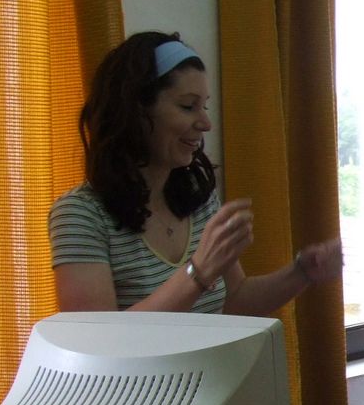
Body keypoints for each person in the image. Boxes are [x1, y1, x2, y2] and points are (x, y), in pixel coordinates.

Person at [49, 31, 342, 314]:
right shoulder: (80, 214)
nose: (205, 123)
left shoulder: (196, 195)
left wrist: (302, 271)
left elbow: (235, 301)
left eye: (204, 107)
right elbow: (100, 339)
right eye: (188, 106)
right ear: (135, 110)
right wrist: (198, 272)